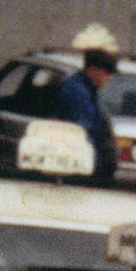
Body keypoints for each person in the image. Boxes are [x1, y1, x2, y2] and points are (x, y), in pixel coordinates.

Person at [53, 38, 120, 188]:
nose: (110, 78)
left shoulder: (87, 90)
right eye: (107, 72)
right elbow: (81, 134)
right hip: (82, 169)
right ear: (93, 70)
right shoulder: (78, 93)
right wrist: (94, 167)